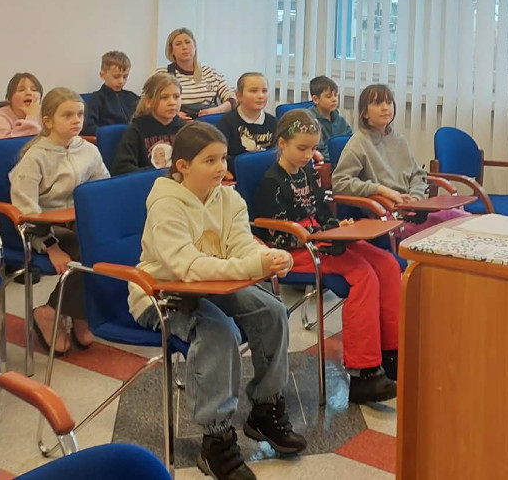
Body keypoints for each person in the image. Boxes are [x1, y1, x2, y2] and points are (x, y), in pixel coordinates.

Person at [128, 122, 303, 480]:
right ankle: (216, 440)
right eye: (209, 160)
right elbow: (187, 266)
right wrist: (252, 266)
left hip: (213, 285)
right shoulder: (166, 205)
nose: (221, 167)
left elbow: (241, 245)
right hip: (162, 293)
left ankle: (265, 409)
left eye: (223, 158)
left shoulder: (229, 198)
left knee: (271, 310)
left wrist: (267, 257)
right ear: (182, 166)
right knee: (218, 331)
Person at [252, 110, 399, 403]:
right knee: (363, 275)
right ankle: (363, 372)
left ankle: (391, 351)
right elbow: (276, 234)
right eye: (301, 148)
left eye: (313, 149)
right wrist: (320, 233)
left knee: (387, 264)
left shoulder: (307, 173)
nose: (309, 155)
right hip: (295, 251)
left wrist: (336, 226)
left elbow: (321, 212)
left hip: (320, 240)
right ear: (282, 143)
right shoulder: (272, 182)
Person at [9, 88, 109, 354]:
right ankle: (53, 313)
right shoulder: (35, 157)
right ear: (48, 121)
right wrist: (50, 245)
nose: (76, 120)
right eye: (67, 115)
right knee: (87, 253)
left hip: (78, 224)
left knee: (107, 249)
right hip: (44, 229)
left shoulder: (88, 150)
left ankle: (70, 312)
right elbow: (26, 210)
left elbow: (102, 191)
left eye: (80, 114)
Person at [332, 84, 465, 239]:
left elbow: (417, 175)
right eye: (378, 103)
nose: (385, 108)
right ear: (365, 113)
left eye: (389, 103)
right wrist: (381, 190)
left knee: (462, 219)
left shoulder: (399, 140)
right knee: (446, 232)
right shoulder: (359, 142)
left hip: (412, 210)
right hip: (386, 215)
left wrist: (415, 198)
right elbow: (340, 183)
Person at [112, 73, 188, 174]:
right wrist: (155, 174)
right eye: (164, 97)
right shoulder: (136, 130)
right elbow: (122, 167)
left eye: (176, 96)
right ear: (148, 102)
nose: (172, 102)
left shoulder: (186, 129)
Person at [164, 28, 236, 118]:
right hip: (176, 122)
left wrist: (218, 110)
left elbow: (232, 98)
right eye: (178, 44)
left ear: (195, 47)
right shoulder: (163, 74)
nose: (184, 47)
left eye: (188, 42)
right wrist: (173, 114)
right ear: (171, 50)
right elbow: (150, 102)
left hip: (208, 122)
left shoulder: (212, 74)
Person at [217, 72, 277, 170]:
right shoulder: (227, 123)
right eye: (253, 91)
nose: (261, 96)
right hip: (238, 173)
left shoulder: (273, 122)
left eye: (264, 91)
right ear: (239, 96)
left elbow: (278, 154)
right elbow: (221, 157)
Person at [82, 50, 140, 136]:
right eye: (116, 76)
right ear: (102, 75)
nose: (121, 81)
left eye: (125, 76)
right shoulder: (97, 99)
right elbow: (88, 127)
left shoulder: (132, 97)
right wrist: (109, 133)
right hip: (111, 140)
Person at [0, 73, 43, 140]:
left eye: (34, 90)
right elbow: (6, 144)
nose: (29, 93)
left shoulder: (44, 114)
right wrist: (31, 117)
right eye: (21, 90)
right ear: (9, 98)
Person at [306, 75, 351, 146]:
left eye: (336, 95)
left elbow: (351, 142)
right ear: (316, 99)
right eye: (329, 96)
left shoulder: (341, 120)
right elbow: (319, 149)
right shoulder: (310, 121)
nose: (334, 99)